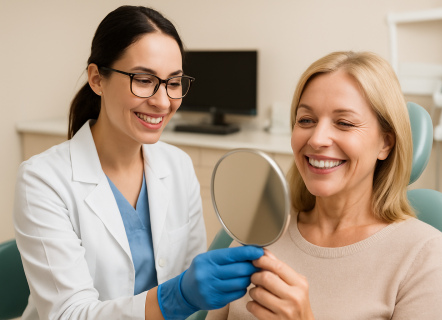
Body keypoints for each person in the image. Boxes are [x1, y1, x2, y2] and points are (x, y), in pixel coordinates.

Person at [13, 6, 263, 320]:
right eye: (144, 80)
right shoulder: (42, 180)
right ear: (96, 79)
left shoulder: (178, 166)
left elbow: (193, 279)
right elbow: (69, 314)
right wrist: (176, 297)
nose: (162, 101)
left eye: (173, 83)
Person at [206, 51, 442, 320]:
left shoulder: (426, 255)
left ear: (385, 143)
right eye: (306, 120)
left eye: (344, 123)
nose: (317, 139)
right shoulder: (259, 229)